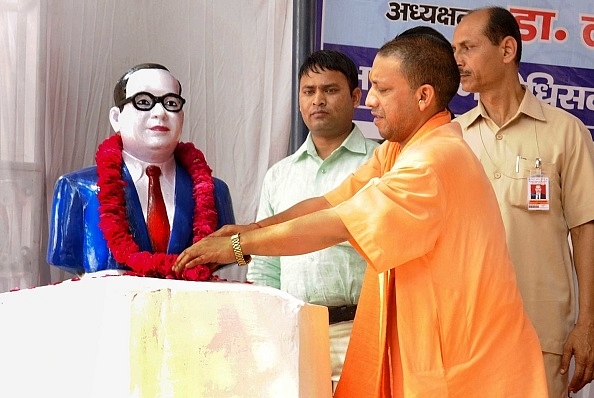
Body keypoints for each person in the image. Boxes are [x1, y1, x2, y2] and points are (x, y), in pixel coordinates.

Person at [173, 31, 547, 396]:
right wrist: (250, 228)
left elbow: (337, 224)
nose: (370, 101)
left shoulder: (432, 162)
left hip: (472, 367)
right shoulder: (400, 151)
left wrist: (240, 246)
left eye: (383, 90)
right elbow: (331, 202)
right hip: (433, 353)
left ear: (423, 96)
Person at [452, 7, 594, 396]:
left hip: (542, 336)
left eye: (468, 47)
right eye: (454, 50)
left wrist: (587, 325)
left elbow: (586, 232)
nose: (458, 60)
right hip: (464, 337)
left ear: (507, 48)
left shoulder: (566, 132)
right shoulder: (451, 138)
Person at [247, 50, 379, 390]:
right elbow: (264, 266)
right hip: (291, 330)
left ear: (355, 97)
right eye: (309, 91)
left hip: (361, 328)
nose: (318, 100)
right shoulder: (280, 174)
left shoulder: (380, 163)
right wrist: (267, 328)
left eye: (330, 90)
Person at [47, 63, 235, 280]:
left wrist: (243, 248)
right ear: (116, 118)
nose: (160, 113)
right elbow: (65, 255)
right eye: (144, 102)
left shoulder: (215, 193)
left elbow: (231, 252)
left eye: (171, 103)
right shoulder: (77, 189)